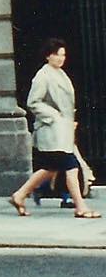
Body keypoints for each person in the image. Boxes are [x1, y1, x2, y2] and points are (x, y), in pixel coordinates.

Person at [7, 39, 100, 218]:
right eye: (57, 54)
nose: (60, 58)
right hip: (53, 131)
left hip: (62, 131)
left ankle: (19, 195)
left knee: (50, 168)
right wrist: (54, 117)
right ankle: (80, 206)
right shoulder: (43, 75)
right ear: (48, 55)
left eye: (63, 54)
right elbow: (33, 102)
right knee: (71, 166)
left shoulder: (60, 74)